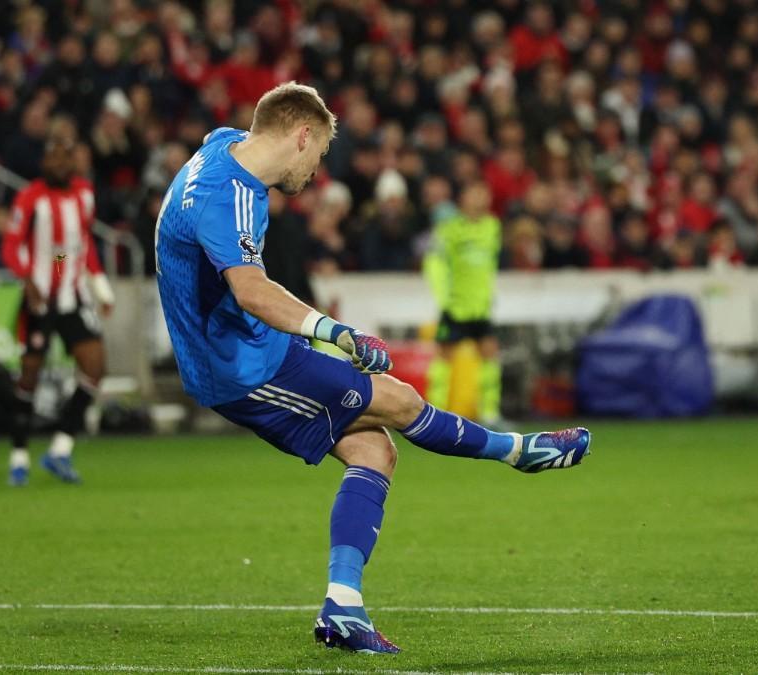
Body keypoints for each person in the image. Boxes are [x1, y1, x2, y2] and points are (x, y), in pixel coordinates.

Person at [153, 83, 591, 655]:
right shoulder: (225, 192)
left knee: (374, 451)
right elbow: (253, 291)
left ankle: (343, 607)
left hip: (255, 347)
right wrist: (337, 331)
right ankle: (517, 453)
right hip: (242, 368)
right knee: (400, 401)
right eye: (319, 155)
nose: (315, 171)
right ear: (302, 136)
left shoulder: (222, 145)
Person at [1, 115, 114, 487]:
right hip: (39, 301)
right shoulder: (30, 197)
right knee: (29, 375)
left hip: (73, 296)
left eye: (65, 159)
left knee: (95, 367)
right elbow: (11, 245)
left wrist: (100, 289)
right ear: (44, 163)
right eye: (52, 159)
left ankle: (60, 450)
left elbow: (80, 246)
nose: (59, 165)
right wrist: (29, 279)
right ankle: (19, 456)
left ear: (72, 162)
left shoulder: (84, 194)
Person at [423, 181, 505, 425]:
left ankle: (490, 413)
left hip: (480, 307)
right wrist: (443, 297)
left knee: (489, 356)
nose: (481, 198)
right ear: (463, 199)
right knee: (444, 359)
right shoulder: (450, 229)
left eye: (483, 193)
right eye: (475, 192)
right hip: (456, 307)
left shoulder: (492, 227)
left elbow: (488, 266)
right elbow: (434, 264)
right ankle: (434, 413)